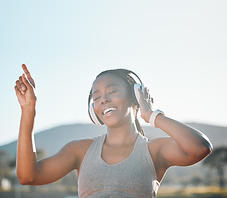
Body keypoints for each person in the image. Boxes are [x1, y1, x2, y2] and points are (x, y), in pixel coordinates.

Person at [15, 64, 212, 198]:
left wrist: (151, 115)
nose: (103, 99)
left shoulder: (154, 150)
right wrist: (28, 109)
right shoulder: (80, 150)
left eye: (112, 91)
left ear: (135, 97)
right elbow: (28, 176)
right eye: (96, 97)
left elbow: (200, 147)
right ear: (93, 109)